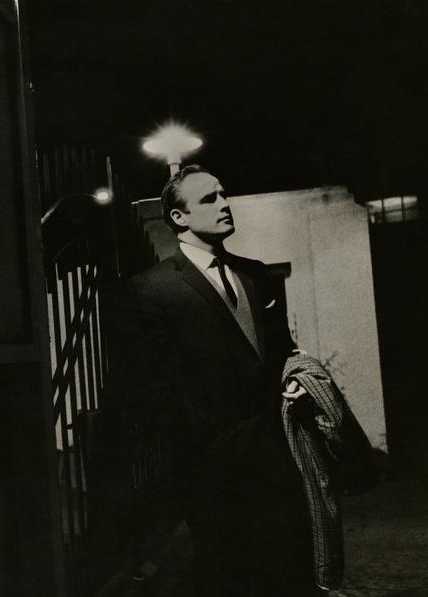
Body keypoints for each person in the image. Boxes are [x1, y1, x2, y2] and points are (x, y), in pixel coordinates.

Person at [124, 165, 321, 596]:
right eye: (209, 199)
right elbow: (152, 386)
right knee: (226, 577)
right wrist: (203, 446)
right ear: (179, 218)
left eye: (224, 194)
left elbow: (282, 351)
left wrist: (295, 379)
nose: (225, 204)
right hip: (211, 471)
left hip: (276, 458)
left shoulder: (255, 274)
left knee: (288, 575)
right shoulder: (152, 289)